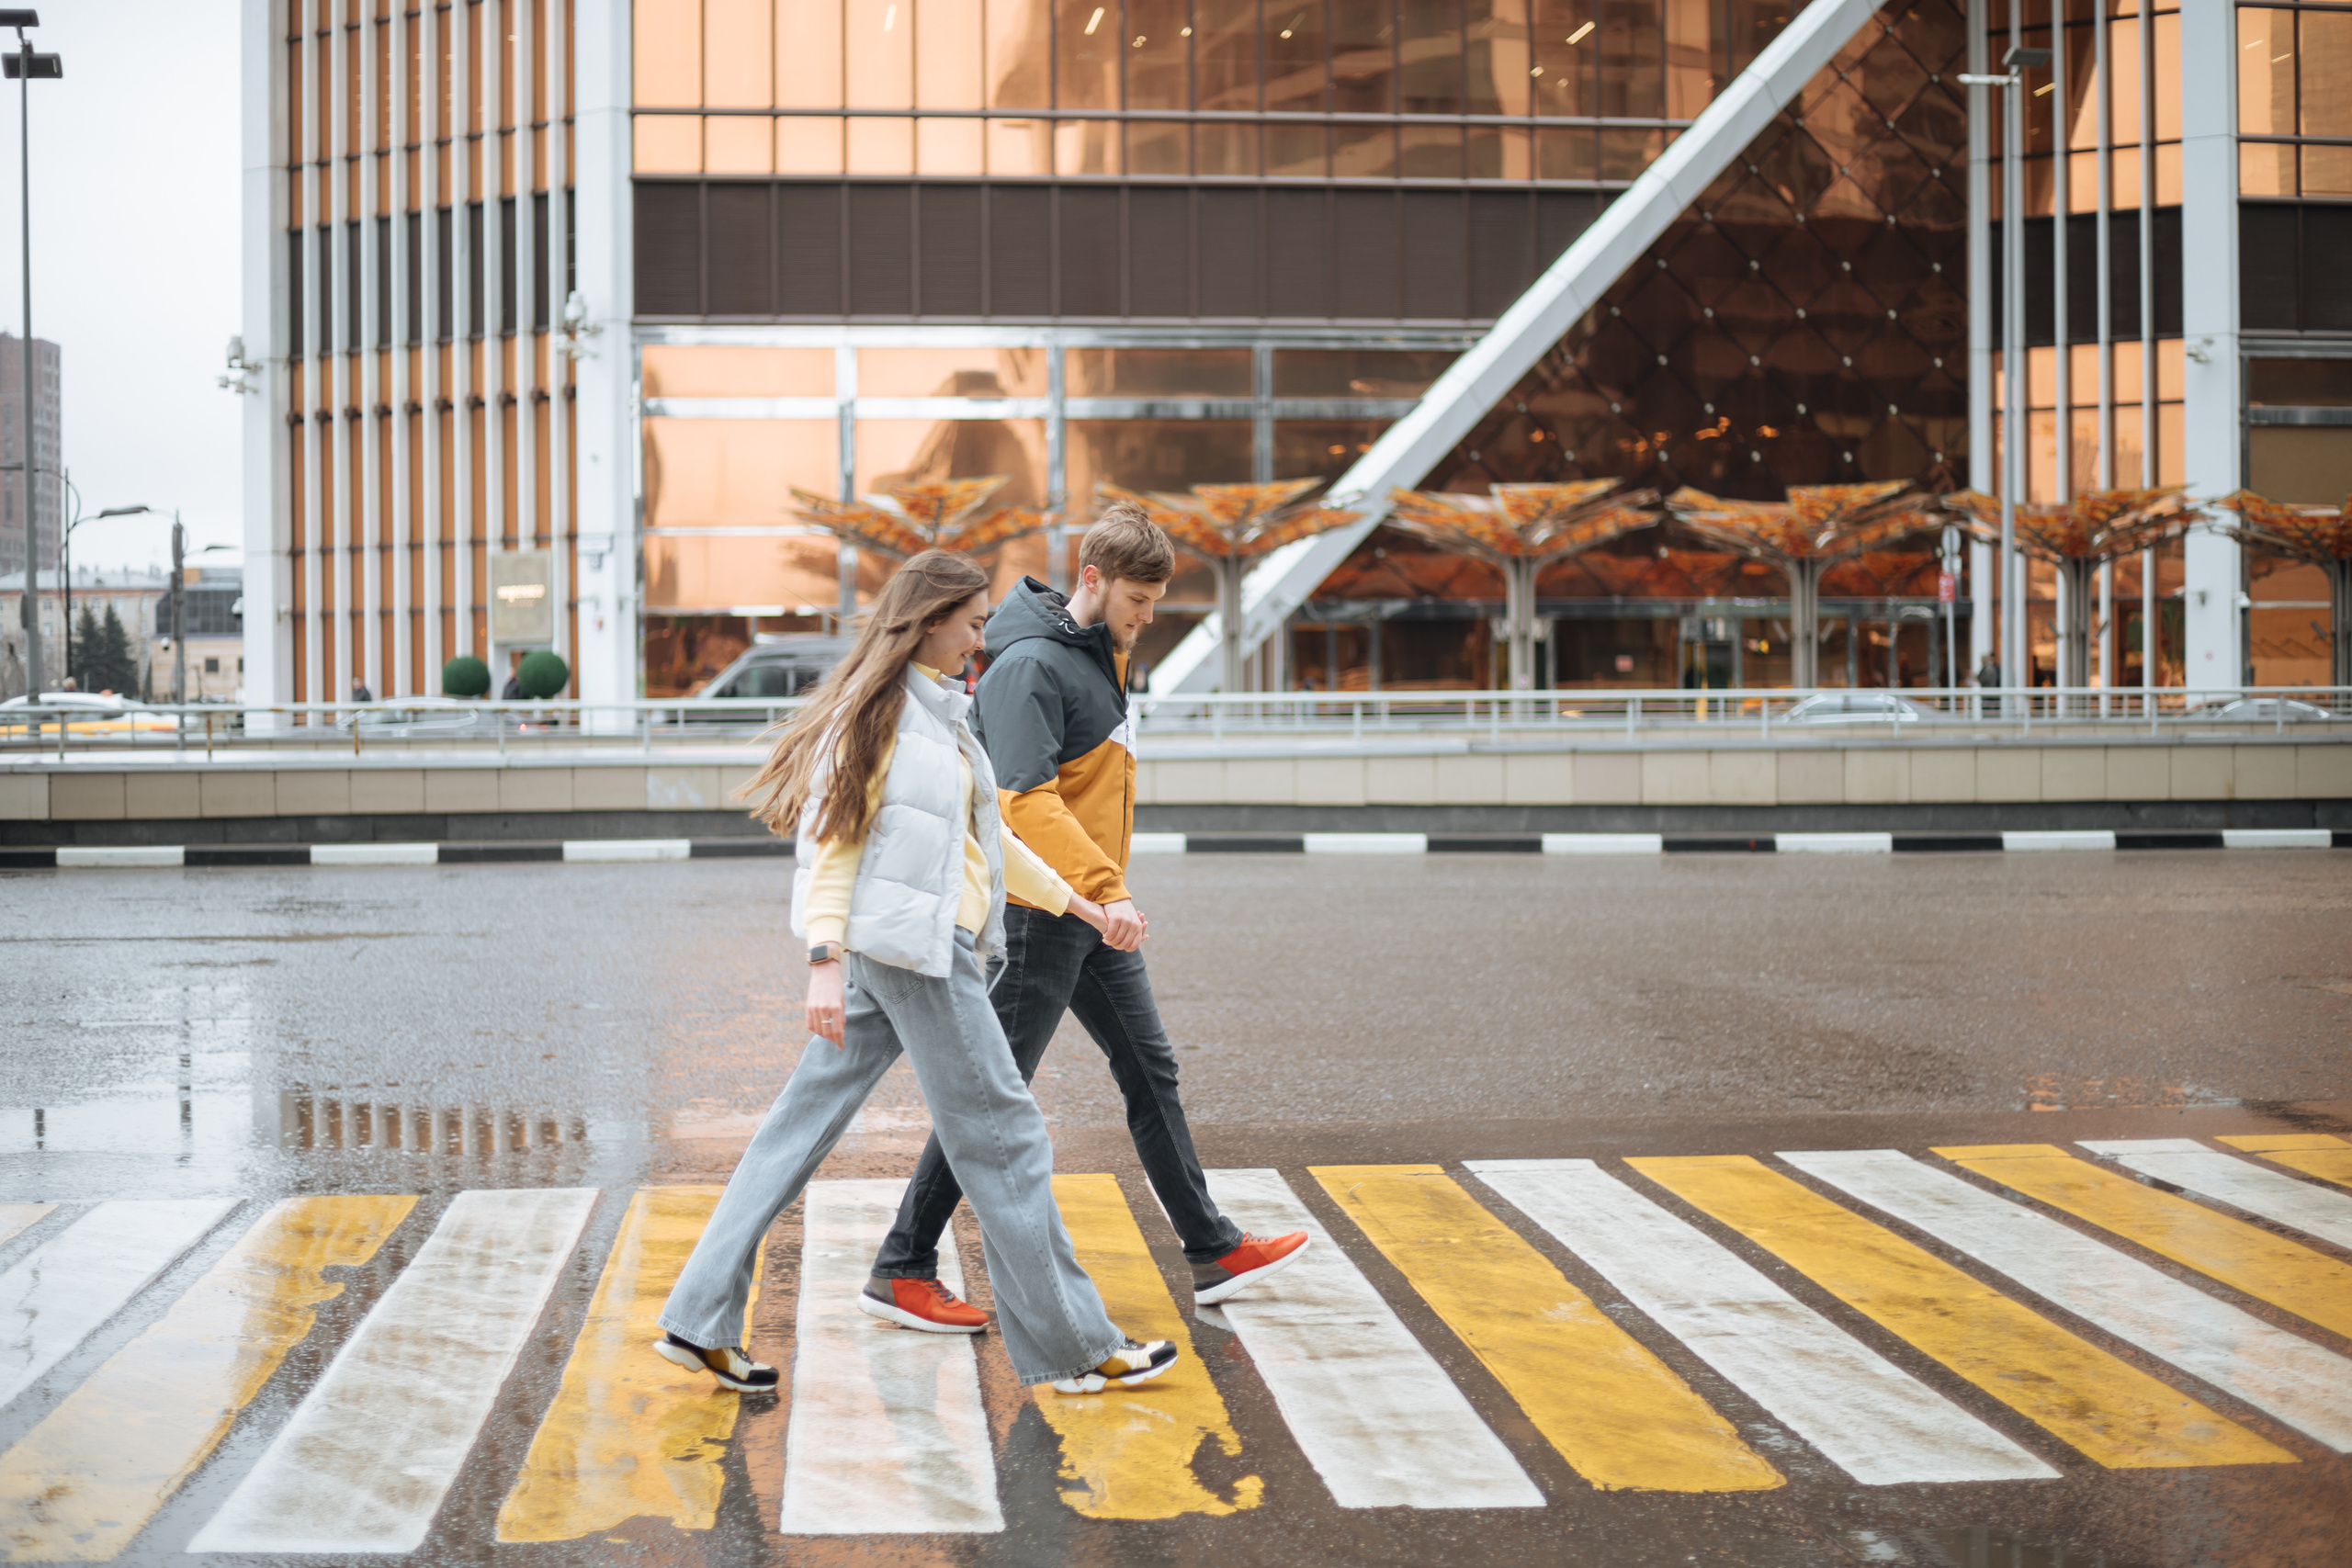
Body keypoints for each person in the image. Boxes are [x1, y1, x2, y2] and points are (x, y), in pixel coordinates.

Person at [655, 549, 1178, 1397]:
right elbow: (828, 844)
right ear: (929, 620)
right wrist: (822, 960)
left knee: (796, 1128)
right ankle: (1077, 1346)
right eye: (972, 623)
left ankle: (696, 1316)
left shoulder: (939, 714)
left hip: (897, 947)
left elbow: (988, 845)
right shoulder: (879, 718)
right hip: (914, 952)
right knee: (1006, 1137)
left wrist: (1078, 905)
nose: (982, 639)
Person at [859, 503, 1307, 1337]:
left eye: (1155, 602)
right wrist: (1107, 890)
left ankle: (1212, 1247)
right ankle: (902, 1262)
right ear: (1092, 580)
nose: (1147, 617)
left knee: (1151, 1068)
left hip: (1092, 911)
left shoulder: (1102, 654)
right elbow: (1025, 803)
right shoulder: (1031, 663)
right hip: (1044, 912)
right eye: (1138, 599)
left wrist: (1106, 897)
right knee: (991, 1096)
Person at [1975, 650, 2001, 716]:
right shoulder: (1990, 668)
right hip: (1990, 692)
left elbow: (1984, 679)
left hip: (1988, 692)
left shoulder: (1988, 668)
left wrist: (1978, 678)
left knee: (1987, 709)